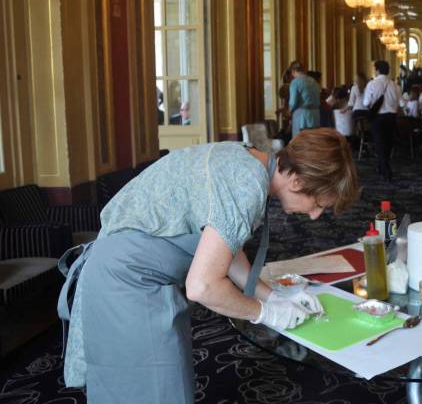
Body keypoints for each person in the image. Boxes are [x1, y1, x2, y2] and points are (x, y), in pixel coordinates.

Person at [57, 129, 360, 403]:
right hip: (127, 285)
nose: (316, 216)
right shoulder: (248, 183)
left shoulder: (246, 158)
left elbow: (227, 249)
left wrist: (272, 296)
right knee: (156, 393)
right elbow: (201, 286)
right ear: (297, 181)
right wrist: (265, 313)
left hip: (128, 275)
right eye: (319, 204)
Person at [363, 60, 401, 182]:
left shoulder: (372, 84)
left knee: (380, 144)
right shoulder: (395, 85)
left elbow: (366, 103)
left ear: (377, 70)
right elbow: (401, 103)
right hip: (392, 118)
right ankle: (381, 167)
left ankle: (386, 171)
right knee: (388, 144)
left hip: (378, 119)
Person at [288, 62, 321, 137]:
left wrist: (289, 112)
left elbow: (293, 102)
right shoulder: (313, 81)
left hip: (302, 117)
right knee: (313, 142)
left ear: (293, 71)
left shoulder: (295, 82)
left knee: (300, 143)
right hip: (315, 116)